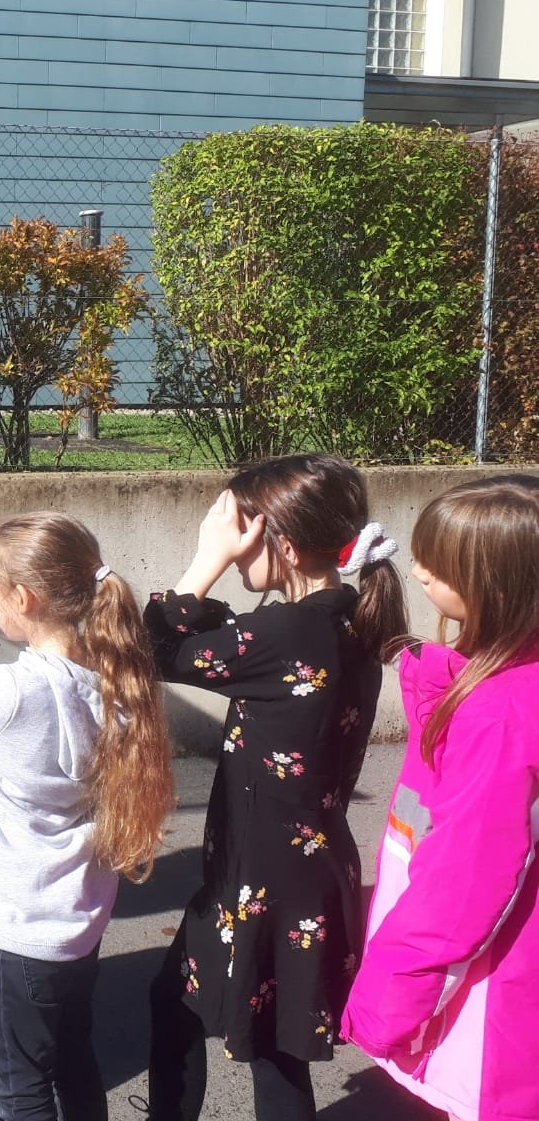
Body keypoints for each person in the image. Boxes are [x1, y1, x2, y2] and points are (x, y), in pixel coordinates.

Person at [143, 453, 407, 1121]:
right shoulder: (342, 616)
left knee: (258, 1045)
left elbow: (152, 649)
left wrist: (204, 560)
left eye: (242, 535)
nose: (233, 550)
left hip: (263, 880)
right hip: (299, 872)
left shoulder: (285, 631)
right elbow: (221, 635)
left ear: (283, 545)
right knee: (221, 1025)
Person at [0, 516, 173, 1121]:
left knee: (21, 1091)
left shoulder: (13, 695)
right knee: (73, 1060)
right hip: (77, 922)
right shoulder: (112, 683)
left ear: (22, 598)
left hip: (19, 934)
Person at [342, 475, 539, 1121]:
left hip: (500, 1004)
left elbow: (463, 885)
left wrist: (388, 1003)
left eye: (440, 564)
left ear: (497, 586)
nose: (419, 570)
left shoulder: (500, 715)